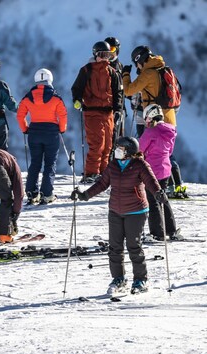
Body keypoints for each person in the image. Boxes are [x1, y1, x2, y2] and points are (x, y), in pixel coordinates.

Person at [70, 136, 166, 295]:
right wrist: (84, 195)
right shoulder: (113, 165)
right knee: (115, 247)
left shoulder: (139, 165)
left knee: (133, 246)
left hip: (136, 211)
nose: (117, 151)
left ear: (128, 151)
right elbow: (102, 184)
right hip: (115, 211)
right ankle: (119, 279)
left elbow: (151, 181)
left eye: (120, 148)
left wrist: (158, 194)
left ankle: (140, 280)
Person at [123, 45, 187, 198]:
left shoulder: (148, 73)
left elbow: (128, 90)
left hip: (156, 118)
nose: (136, 66)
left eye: (136, 63)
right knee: (167, 152)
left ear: (140, 59)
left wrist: (126, 74)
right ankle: (177, 186)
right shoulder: (164, 69)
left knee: (158, 153)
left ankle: (168, 186)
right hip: (171, 116)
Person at [71, 41, 122, 183]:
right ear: (95, 54)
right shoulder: (87, 70)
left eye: (108, 55)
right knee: (97, 144)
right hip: (92, 112)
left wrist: (118, 110)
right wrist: (77, 100)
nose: (105, 58)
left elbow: (118, 93)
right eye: (102, 55)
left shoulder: (112, 72)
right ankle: (91, 174)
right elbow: (76, 88)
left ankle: (104, 174)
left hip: (108, 113)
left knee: (108, 146)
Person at [16, 68, 68, 205]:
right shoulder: (56, 97)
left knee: (35, 163)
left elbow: (20, 115)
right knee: (50, 164)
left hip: (34, 132)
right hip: (51, 133)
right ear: (50, 80)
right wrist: (62, 129)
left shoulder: (28, 97)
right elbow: (62, 115)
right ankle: (47, 194)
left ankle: (32, 193)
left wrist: (25, 129)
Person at [139, 104, 180, 241]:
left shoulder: (150, 132)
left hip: (152, 171)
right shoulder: (171, 131)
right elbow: (170, 151)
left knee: (153, 201)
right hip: (166, 170)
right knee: (163, 198)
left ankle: (157, 233)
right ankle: (171, 229)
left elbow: (139, 149)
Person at [104, 36, 126, 143]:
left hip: (119, 108)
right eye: (107, 49)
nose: (109, 52)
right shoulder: (102, 66)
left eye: (112, 49)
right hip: (107, 108)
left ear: (117, 50)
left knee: (118, 140)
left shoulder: (120, 66)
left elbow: (123, 89)